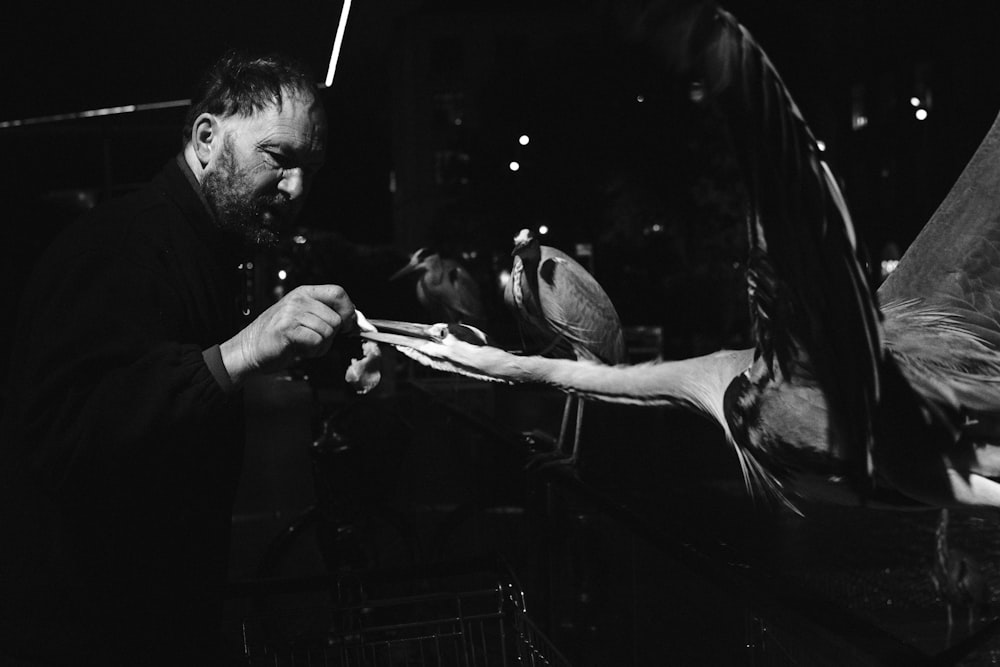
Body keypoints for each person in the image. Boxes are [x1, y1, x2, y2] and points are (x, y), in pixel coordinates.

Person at [0, 50, 362, 665]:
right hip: (88, 631)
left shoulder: (204, 247)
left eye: (311, 168)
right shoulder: (123, 245)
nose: (298, 186)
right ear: (205, 139)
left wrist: (335, 354)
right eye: (279, 157)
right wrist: (240, 352)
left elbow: (167, 374)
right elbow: (63, 431)